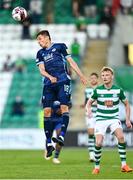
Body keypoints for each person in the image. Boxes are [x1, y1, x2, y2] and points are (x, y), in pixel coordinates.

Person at [35, 30, 87, 158]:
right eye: (37, 40)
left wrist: (81, 76)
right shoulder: (40, 53)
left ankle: (62, 136)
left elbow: (71, 62)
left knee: (64, 108)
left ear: (47, 38)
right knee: (46, 112)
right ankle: (48, 143)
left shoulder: (60, 47)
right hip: (48, 84)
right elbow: (41, 70)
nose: (38, 42)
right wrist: (49, 76)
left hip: (63, 81)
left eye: (40, 39)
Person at [86, 66, 133, 174]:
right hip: (101, 120)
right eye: (103, 75)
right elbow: (89, 103)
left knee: (121, 137)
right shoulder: (98, 90)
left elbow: (127, 104)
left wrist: (127, 120)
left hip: (113, 119)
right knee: (98, 142)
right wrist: (88, 110)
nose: (104, 77)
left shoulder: (118, 90)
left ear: (112, 76)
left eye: (107, 75)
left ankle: (124, 165)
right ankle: (97, 167)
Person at [82, 72, 99, 162]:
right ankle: (91, 155)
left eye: (94, 78)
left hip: (100, 114)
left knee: (98, 135)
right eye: (91, 78)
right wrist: (84, 106)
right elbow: (86, 102)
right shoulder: (87, 90)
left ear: (97, 79)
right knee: (91, 134)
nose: (93, 79)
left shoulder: (101, 89)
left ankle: (97, 153)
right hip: (90, 114)